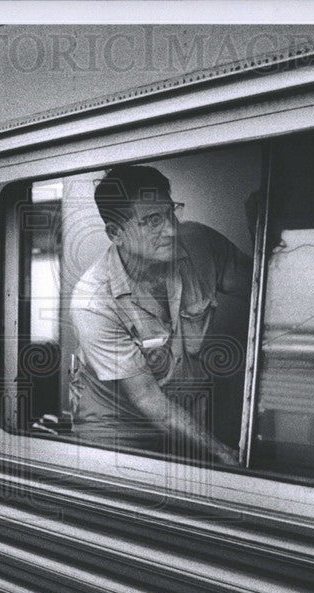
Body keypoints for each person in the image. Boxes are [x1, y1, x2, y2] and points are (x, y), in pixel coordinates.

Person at [69, 164, 252, 465]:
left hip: (184, 414)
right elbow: (146, 399)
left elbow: (261, 287)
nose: (170, 230)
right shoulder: (93, 302)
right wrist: (221, 451)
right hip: (116, 427)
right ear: (117, 233)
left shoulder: (201, 245)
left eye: (170, 212)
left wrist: (263, 229)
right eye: (152, 221)